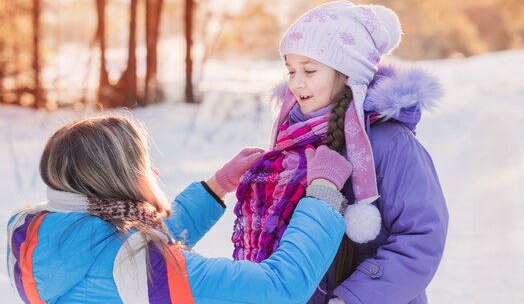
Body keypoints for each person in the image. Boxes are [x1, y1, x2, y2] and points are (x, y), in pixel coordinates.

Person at [232, 0, 449, 304]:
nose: (296, 83)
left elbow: (421, 237)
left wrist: (355, 298)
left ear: (347, 73)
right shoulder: (294, 140)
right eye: (291, 71)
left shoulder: (390, 143)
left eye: (309, 70)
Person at [7, 115, 354, 304]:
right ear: (116, 178)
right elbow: (279, 289)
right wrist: (322, 196)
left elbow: (119, 251)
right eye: (142, 165)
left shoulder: (39, 236)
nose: (154, 172)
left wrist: (216, 186)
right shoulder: (137, 266)